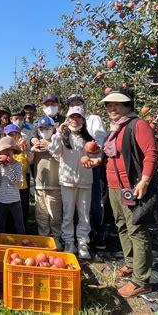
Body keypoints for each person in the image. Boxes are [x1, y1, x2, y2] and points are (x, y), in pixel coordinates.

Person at [93, 89, 157, 298]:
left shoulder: (138, 125)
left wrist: (145, 180)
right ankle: (131, 264)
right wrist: (97, 161)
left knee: (137, 229)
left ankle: (141, 280)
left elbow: (150, 153)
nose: (112, 108)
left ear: (128, 105)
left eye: (116, 105)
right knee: (122, 226)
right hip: (114, 187)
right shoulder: (115, 129)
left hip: (131, 186)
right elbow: (112, 156)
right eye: (109, 105)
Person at [48, 106, 94, 259]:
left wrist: (94, 158)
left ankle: (82, 244)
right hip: (67, 181)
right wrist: (57, 133)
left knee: (84, 214)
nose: (75, 120)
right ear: (67, 120)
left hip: (85, 180)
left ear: (83, 120)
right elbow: (53, 151)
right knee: (68, 214)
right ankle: (69, 242)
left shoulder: (88, 138)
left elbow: (96, 155)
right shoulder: (62, 137)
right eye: (72, 117)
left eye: (78, 117)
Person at [66, 94, 107, 250]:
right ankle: (76, 237)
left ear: (83, 105)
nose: (75, 105)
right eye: (72, 103)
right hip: (71, 169)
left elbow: (100, 138)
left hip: (92, 165)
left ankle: (96, 233)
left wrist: (95, 154)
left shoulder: (93, 119)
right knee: (74, 205)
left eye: (78, 102)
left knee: (94, 202)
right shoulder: (68, 122)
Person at [30, 116, 63, 250]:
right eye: (42, 128)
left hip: (55, 184)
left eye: (47, 128)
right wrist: (32, 150)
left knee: (55, 214)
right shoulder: (36, 143)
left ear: (53, 129)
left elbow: (64, 159)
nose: (45, 131)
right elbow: (29, 162)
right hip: (39, 184)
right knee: (41, 213)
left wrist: (50, 148)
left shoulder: (58, 143)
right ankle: (43, 237)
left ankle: (56, 237)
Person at [0, 136, 26, 234]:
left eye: (8, 151)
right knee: (0, 225)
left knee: (19, 224)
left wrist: (9, 167)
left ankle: (22, 242)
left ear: (13, 152)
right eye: (3, 151)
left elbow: (15, 181)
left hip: (14, 200)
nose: (5, 153)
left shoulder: (17, 165)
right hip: (0, 199)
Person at [4, 123, 32, 231]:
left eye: (15, 135)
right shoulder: (3, 150)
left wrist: (24, 150)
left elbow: (24, 167)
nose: (13, 137)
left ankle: (21, 230)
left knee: (22, 209)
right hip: (8, 186)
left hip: (21, 185)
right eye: (10, 135)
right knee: (9, 209)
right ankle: (8, 231)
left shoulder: (22, 149)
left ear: (19, 136)